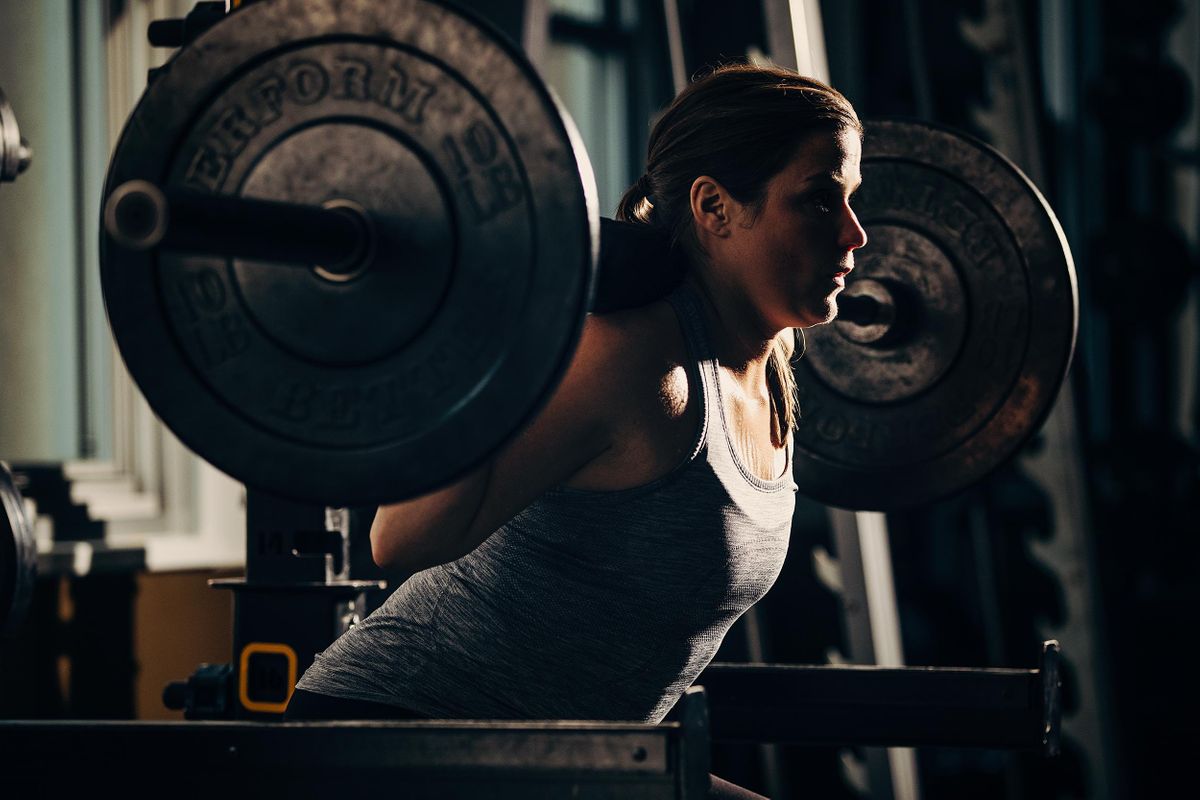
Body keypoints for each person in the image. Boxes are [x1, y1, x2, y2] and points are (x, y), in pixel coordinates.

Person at [286, 62, 867, 799]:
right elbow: (399, 540)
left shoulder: (768, 369)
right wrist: (503, 334)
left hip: (566, 765)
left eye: (851, 199)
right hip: (400, 743)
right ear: (716, 208)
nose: (857, 232)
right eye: (820, 200)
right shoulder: (635, 366)